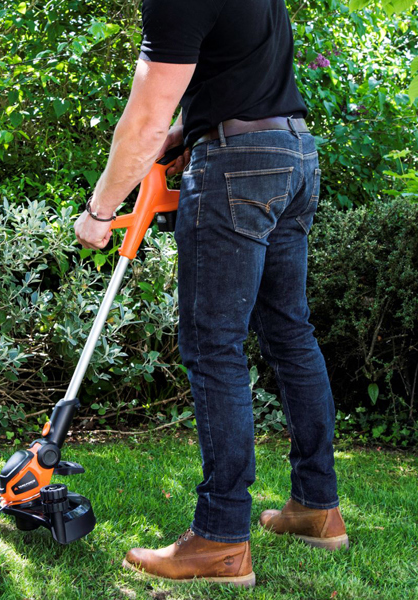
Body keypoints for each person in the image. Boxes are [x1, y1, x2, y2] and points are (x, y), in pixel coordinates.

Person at [74, 0, 347, 587]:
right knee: (290, 333)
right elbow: (241, 71)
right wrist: (189, 133)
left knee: (213, 345)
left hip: (238, 166)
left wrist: (100, 211)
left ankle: (221, 539)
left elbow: (145, 119)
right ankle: (316, 507)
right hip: (293, 154)